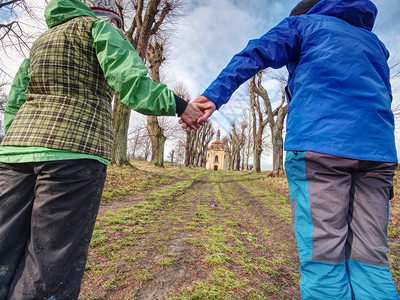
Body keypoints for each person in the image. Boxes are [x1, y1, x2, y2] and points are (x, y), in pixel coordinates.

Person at [182, 0, 399, 299]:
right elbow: (384, 94)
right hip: (377, 152)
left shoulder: (303, 25)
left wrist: (212, 96)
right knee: (371, 260)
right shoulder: (374, 43)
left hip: (320, 149)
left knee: (324, 260)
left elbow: (255, 53)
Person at [0, 0, 209, 299]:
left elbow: (16, 101)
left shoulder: (42, 41)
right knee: (49, 265)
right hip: (73, 155)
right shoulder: (99, 29)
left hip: (15, 155)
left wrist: (18, 141)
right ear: (109, 19)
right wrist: (180, 106)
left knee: (4, 247)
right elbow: (133, 84)